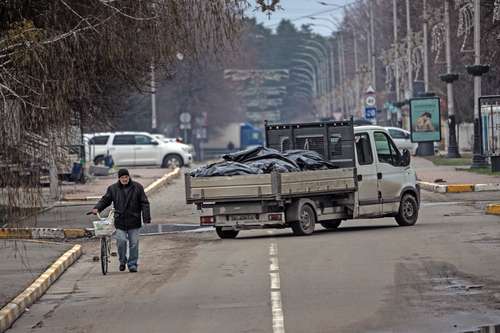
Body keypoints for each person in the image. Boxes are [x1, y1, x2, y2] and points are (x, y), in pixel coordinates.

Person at [92, 168, 151, 273]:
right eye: (122, 177)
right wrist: (97, 208)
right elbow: (105, 200)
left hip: (134, 220)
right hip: (120, 221)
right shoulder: (113, 189)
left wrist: (146, 218)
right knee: (121, 242)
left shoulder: (137, 187)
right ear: (119, 178)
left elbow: (144, 203)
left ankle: (132, 264)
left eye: (126, 177)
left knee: (134, 244)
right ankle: (122, 261)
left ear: (129, 177)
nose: (124, 179)